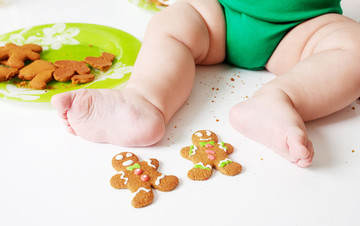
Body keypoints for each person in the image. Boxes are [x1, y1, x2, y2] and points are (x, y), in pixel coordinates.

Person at [51, 0, 360, 168]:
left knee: (355, 46)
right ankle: (144, 100)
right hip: (218, 14)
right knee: (172, 21)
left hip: (304, 27)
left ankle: (278, 100)